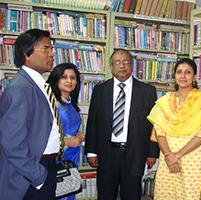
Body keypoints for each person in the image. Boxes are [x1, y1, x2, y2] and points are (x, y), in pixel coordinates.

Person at [85, 49, 159, 200]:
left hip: (135, 152)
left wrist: (152, 153)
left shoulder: (147, 91)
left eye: (126, 62)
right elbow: (93, 121)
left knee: (132, 195)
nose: (122, 66)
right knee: (105, 194)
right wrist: (91, 151)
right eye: (117, 62)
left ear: (132, 66)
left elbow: (153, 125)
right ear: (111, 67)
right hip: (107, 152)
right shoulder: (100, 90)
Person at [147, 58, 201, 200]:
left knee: (188, 195)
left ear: (194, 77)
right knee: (165, 194)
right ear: (174, 76)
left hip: (192, 158)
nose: (183, 76)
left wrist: (177, 156)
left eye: (187, 72)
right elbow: (159, 131)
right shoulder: (165, 101)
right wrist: (170, 156)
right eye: (179, 72)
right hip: (167, 158)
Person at [0, 29, 59, 200]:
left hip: (46, 165)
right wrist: (38, 176)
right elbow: (12, 143)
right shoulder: (19, 89)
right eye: (46, 49)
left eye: (52, 49)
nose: (52, 54)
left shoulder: (40, 84)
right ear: (27, 54)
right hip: (30, 175)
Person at [46, 63, 84, 200]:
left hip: (71, 157)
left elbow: (69, 126)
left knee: (68, 192)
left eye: (73, 78)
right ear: (56, 79)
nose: (69, 81)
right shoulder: (50, 103)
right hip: (55, 159)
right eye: (64, 77)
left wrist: (78, 135)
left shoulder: (70, 102)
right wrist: (67, 141)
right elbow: (43, 133)